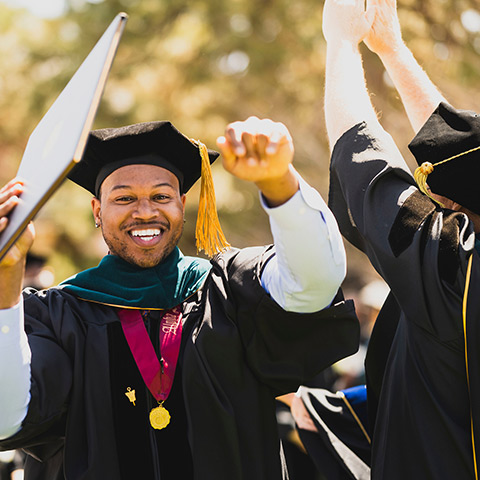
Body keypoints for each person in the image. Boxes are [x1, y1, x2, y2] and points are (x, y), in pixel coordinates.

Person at [0, 117, 359, 479]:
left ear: (182, 204)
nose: (144, 211)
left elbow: (312, 285)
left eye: (161, 196)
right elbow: (5, 415)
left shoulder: (230, 291)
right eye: (124, 198)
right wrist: (5, 278)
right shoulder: (56, 316)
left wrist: (280, 184)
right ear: (97, 210)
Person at [319, 0, 480, 478]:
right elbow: (462, 153)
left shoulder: (456, 268)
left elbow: (368, 173)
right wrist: (392, 49)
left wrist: (342, 45)